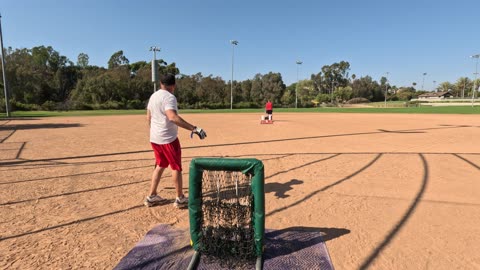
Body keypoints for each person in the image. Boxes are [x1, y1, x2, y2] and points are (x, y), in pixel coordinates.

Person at [145, 73, 207, 208]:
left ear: (161, 83)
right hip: (168, 139)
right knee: (176, 167)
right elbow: (172, 117)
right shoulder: (169, 97)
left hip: (155, 138)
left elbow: (148, 117)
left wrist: (156, 131)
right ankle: (180, 198)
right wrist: (194, 129)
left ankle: (152, 196)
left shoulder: (154, 96)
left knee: (160, 165)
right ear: (173, 85)